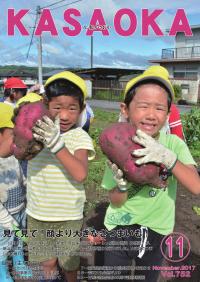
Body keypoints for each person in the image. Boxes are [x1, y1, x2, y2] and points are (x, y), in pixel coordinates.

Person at [101, 66, 200, 282]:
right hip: (120, 227)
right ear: (125, 110)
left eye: (160, 108)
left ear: (168, 113)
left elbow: (196, 186)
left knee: (150, 277)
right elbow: (115, 201)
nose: (151, 115)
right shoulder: (117, 145)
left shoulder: (173, 144)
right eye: (143, 106)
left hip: (158, 229)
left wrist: (169, 158)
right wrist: (122, 185)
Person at [26, 71, 95, 282]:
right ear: (45, 105)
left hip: (68, 216)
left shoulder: (79, 136)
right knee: (47, 262)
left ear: (81, 109)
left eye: (72, 109)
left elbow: (80, 173)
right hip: (38, 212)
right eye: (57, 108)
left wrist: (56, 144)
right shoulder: (35, 134)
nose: (64, 116)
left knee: (69, 264)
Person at [0, 102, 32, 282]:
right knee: (3, 243)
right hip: (2, 215)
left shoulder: (16, 155)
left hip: (20, 208)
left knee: (19, 237)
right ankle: (2, 267)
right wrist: (5, 220)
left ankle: (18, 260)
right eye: (12, 134)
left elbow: (24, 177)